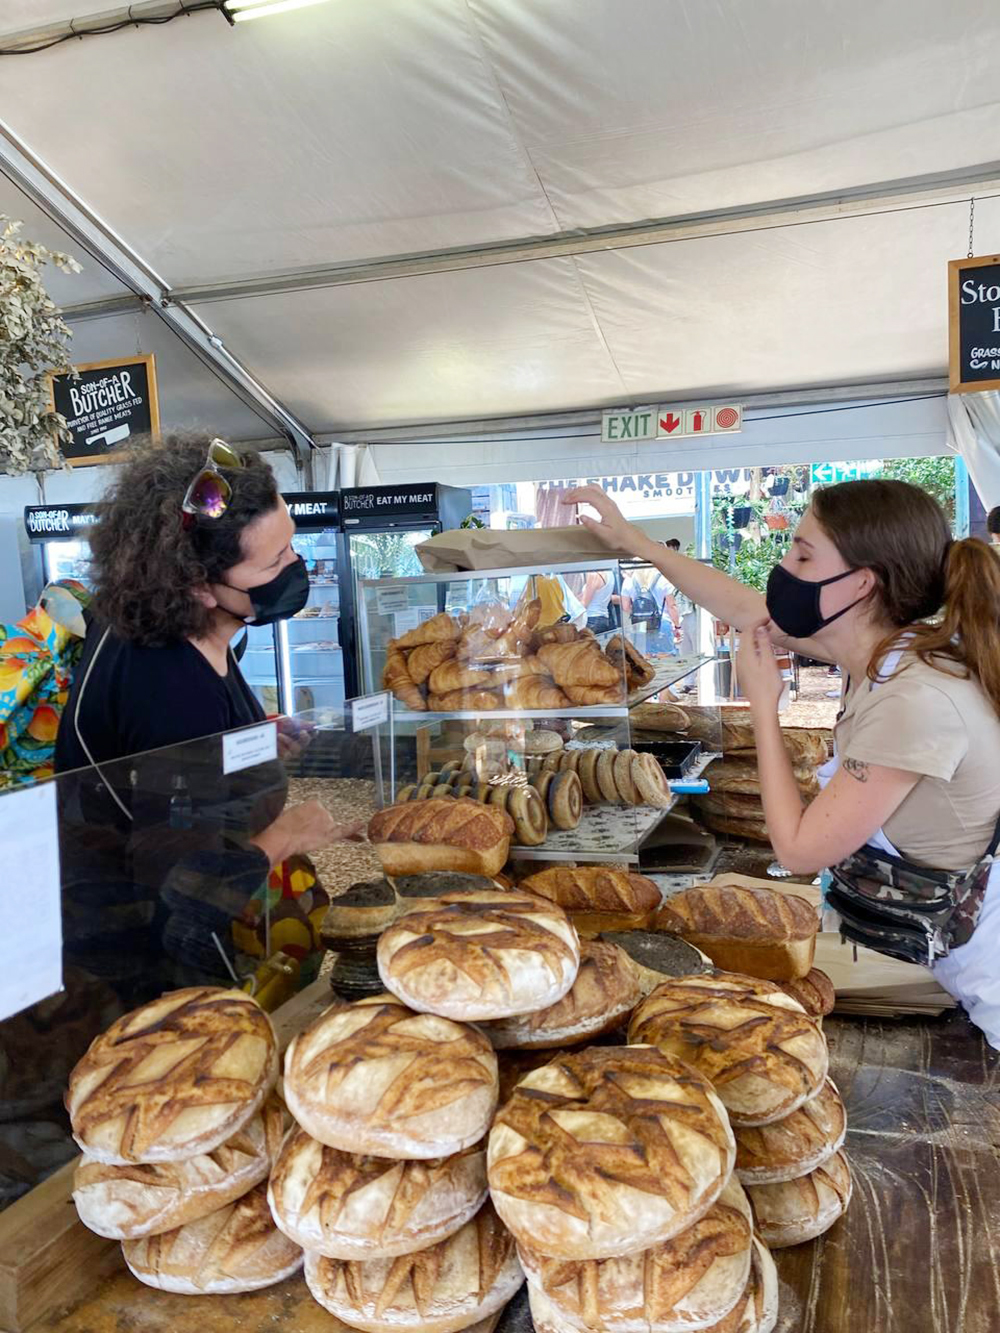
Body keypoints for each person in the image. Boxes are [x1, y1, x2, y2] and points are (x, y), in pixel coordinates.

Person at [568, 479, 1000, 1048]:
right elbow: (747, 608)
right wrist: (638, 542)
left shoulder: (914, 700)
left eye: (801, 553)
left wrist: (764, 708)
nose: (784, 567)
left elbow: (798, 848)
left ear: (861, 583)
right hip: (953, 948)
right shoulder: (888, 649)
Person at [54, 433, 358, 1005]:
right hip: (145, 964)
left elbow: (178, 767)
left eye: (291, 547)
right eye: (274, 562)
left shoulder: (186, 631)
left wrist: (248, 742)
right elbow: (178, 894)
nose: (296, 569)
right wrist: (283, 837)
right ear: (196, 584)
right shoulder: (165, 682)